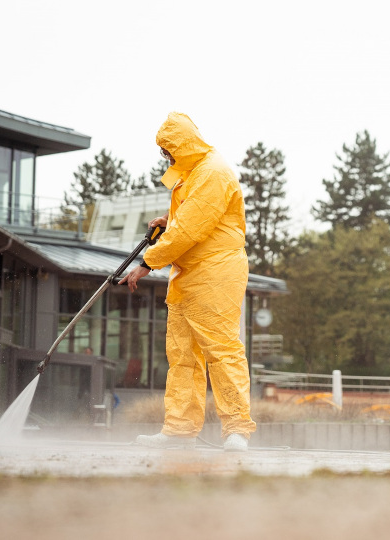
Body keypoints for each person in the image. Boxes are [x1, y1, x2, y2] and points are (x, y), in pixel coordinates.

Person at [119, 112, 255, 451]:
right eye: (164, 151)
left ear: (183, 144)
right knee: (182, 355)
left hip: (216, 273)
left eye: (169, 150)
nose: (167, 157)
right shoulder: (194, 171)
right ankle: (179, 430)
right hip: (188, 276)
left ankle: (237, 429)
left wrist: (147, 264)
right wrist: (168, 219)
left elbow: (192, 228)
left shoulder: (212, 171)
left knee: (222, 350)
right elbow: (191, 217)